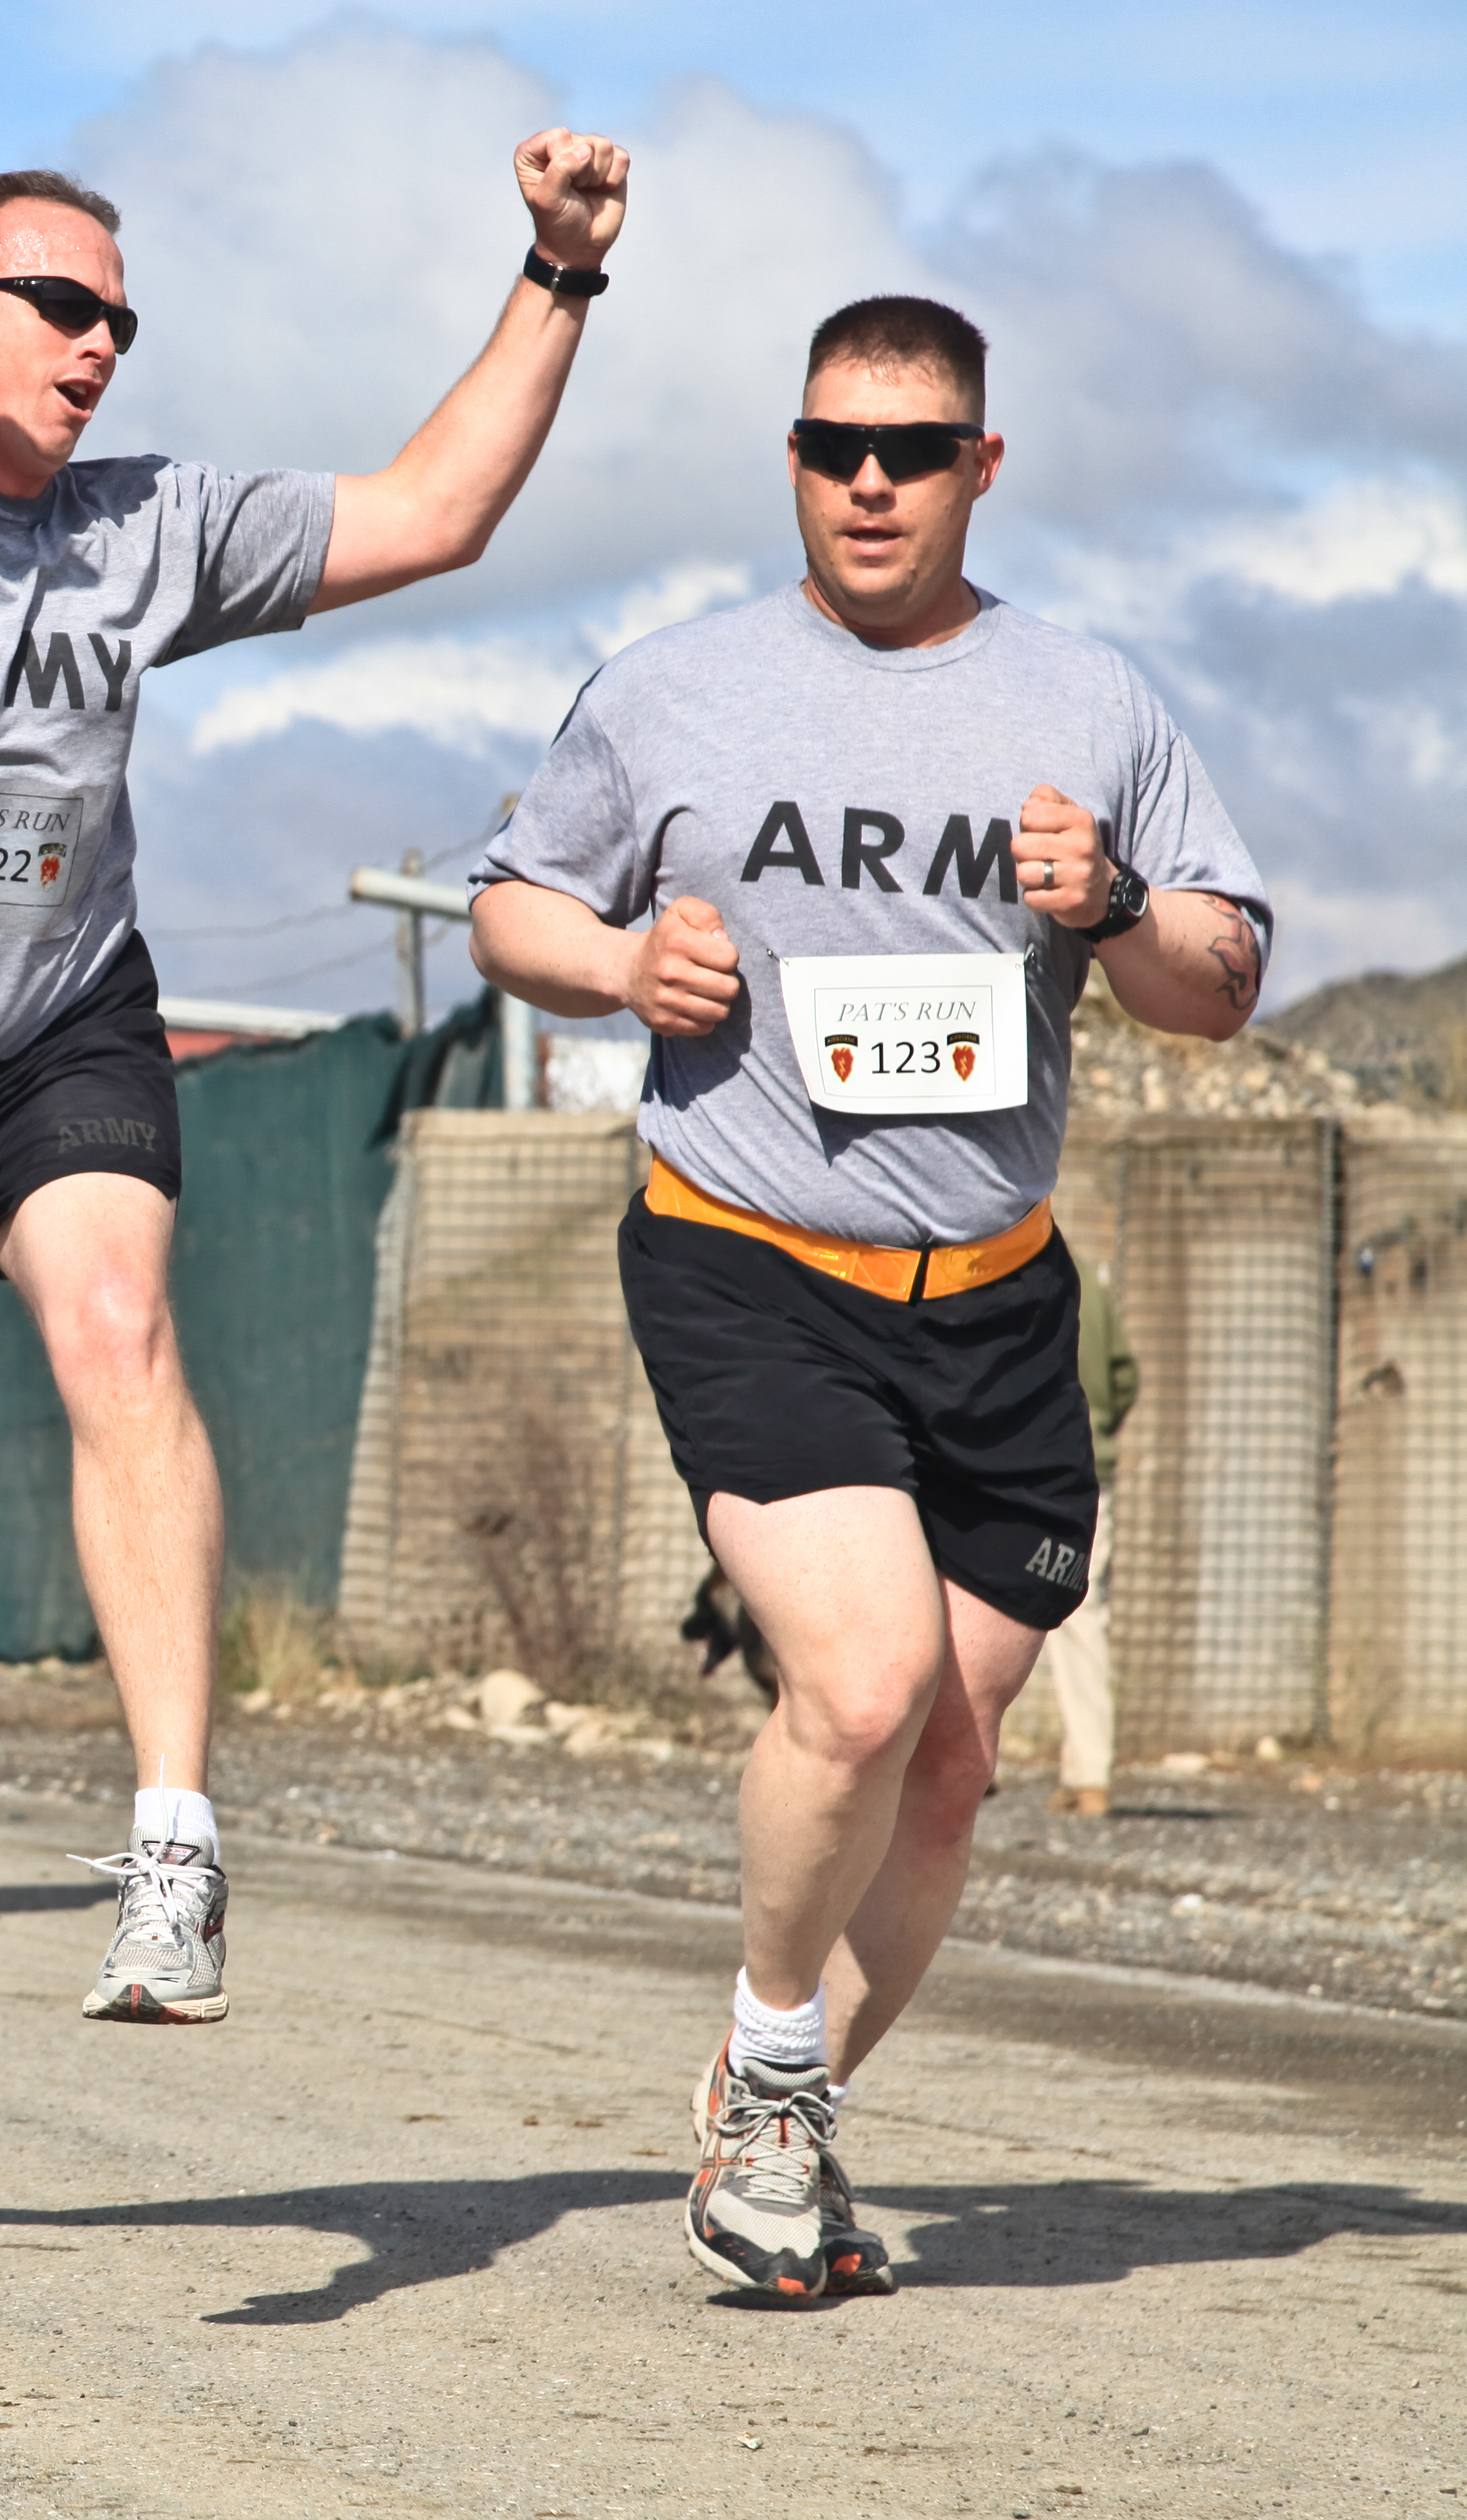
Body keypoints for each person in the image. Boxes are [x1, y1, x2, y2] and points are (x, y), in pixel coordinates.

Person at [0, 5, 631, 2019]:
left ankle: (176, 1853)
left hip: (55, 1036)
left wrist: (561, 273)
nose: (95, 345)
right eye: (59, 303)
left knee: (120, 1326)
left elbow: (435, 513)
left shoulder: (142, 527)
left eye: (120, 324)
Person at [467, 295, 1271, 2300]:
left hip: (995, 1291)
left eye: (913, 450)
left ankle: (772, 2116)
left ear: (982, 466)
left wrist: (1109, 907)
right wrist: (616, 973)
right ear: (797, 459)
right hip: (749, 1260)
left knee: (951, 1756)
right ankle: (773, 2052)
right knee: (859, 1676)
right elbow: (510, 901)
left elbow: (1219, 984)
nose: (872, 483)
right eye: (836, 446)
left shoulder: (1090, 699)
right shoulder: (674, 692)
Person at [1035, 1269, 1136, 1817]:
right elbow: (1124, 1377)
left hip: (1022, 1468)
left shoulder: (1006, 1267)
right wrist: (1098, 1426)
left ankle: (960, 1765)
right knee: (1081, 1612)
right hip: (1088, 1466)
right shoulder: (1092, 1289)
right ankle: (1089, 1772)